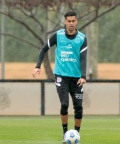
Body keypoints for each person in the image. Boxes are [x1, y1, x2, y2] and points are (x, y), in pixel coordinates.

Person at [32, 11, 87, 143]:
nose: (71, 23)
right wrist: (38, 66)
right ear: (65, 22)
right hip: (61, 76)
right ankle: (65, 134)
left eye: (73, 21)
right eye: (69, 21)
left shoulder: (82, 38)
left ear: (77, 21)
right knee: (64, 104)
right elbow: (44, 49)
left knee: (78, 108)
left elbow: (84, 59)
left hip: (77, 79)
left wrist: (83, 76)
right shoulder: (58, 36)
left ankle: (76, 135)